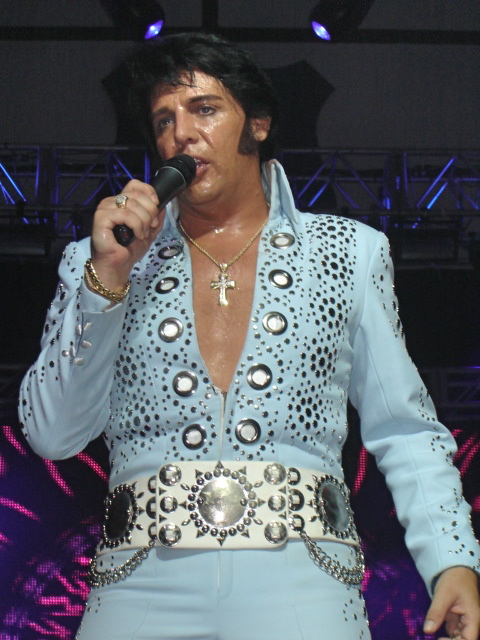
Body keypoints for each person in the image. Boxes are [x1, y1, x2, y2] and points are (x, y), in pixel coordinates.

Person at [19, 32, 479, 640]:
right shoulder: (99, 261)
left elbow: (404, 427)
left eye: (204, 109)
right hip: (138, 582)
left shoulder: (349, 252)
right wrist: (105, 283)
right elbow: (52, 434)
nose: (181, 134)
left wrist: (452, 558)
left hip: (304, 582)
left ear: (258, 124)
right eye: (164, 120)